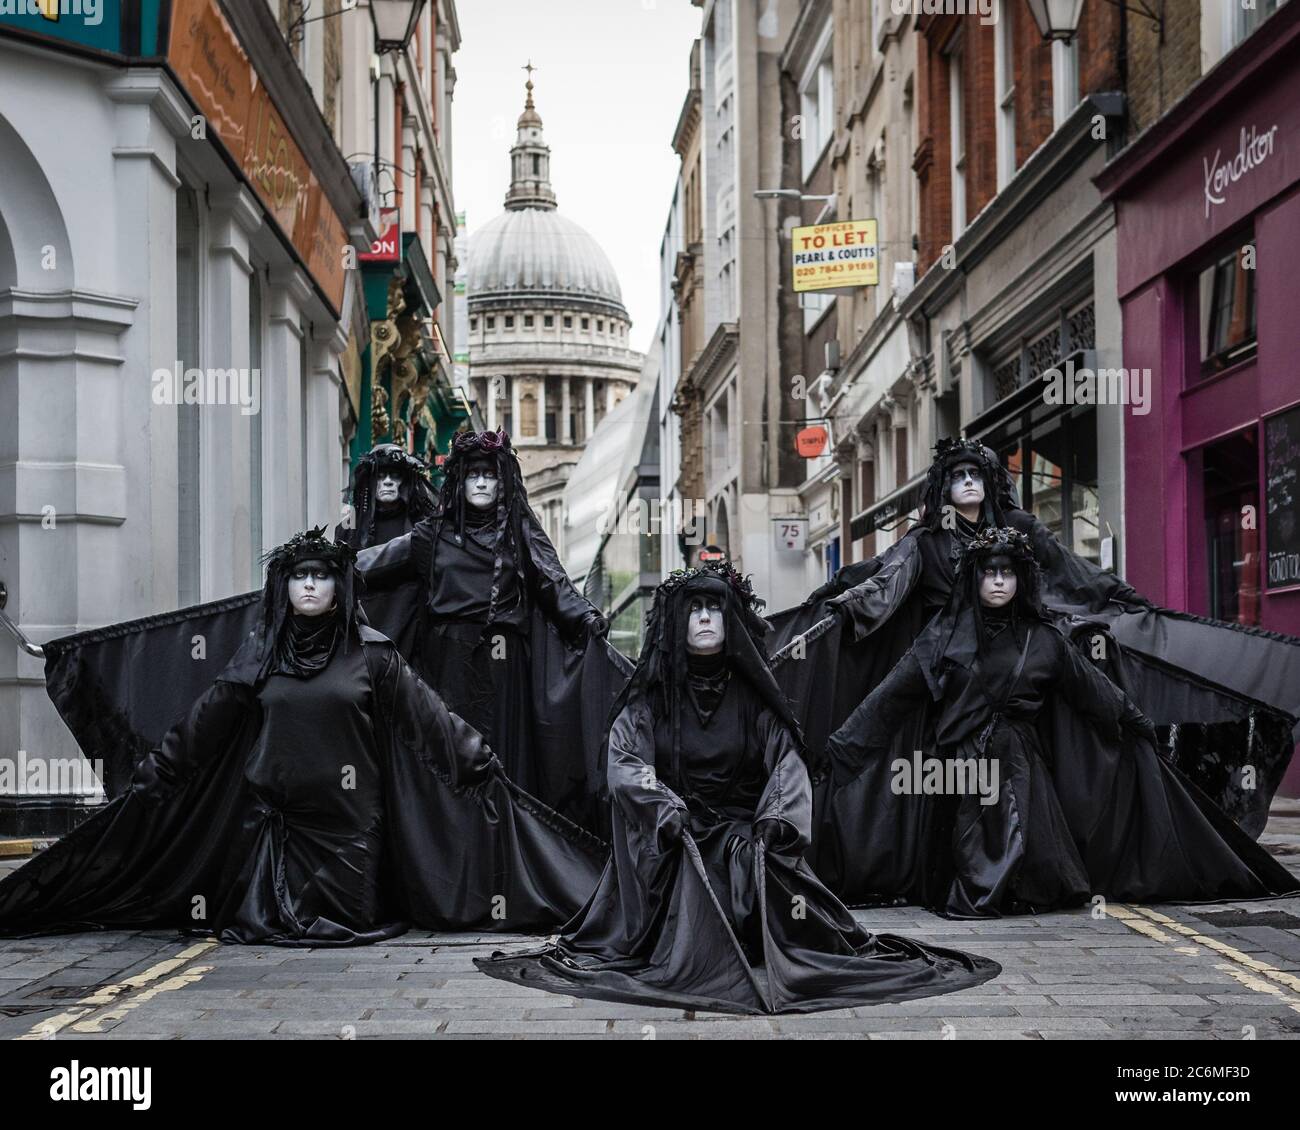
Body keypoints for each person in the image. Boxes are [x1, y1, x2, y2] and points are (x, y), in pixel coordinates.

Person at [0, 528, 604, 945]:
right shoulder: (259, 655)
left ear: (340, 587)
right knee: (262, 922)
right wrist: (158, 772)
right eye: (299, 577)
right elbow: (206, 723)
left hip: (350, 834)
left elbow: (430, 719)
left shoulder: (372, 655)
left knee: (344, 922)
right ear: (283, 587)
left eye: (322, 577)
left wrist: (476, 759)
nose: (310, 587)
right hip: (272, 833)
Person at [475, 563, 1000, 1014]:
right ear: (677, 623)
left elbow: (788, 764)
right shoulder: (650, 701)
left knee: (764, 877)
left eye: (715, 608)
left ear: (733, 620)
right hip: (672, 839)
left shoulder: (754, 703)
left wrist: (777, 817)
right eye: (695, 609)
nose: (705, 618)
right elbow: (624, 763)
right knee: (693, 880)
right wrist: (663, 808)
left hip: (745, 834)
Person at [769, 437, 1300, 839]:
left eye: (977, 474)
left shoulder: (1021, 528)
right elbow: (885, 578)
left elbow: (1071, 571)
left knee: (1075, 699)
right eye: (958, 476)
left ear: (991, 479)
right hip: (951, 658)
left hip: (1019, 653)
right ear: (944, 487)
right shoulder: (926, 541)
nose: (969, 483)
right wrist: (839, 597)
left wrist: (1119, 596)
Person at [823, 527, 1300, 916]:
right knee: (975, 848)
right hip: (955, 772)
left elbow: (1093, 691)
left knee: (1019, 845)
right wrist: (843, 749)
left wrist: (1137, 725)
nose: (997, 582)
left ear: (1021, 580)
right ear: (974, 578)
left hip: (1019, 767)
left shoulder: (1045, 639)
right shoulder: (942, 634)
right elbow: (893, 696)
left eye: (1007, 573)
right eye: (988, 572)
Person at [357, 429, 630, 830]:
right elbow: (374, 564)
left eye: (490, 474)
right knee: (449, 758)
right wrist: (322, 566)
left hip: (504, 668)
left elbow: (553, 583)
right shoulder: (431, 534)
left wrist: (586, 619)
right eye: (473, 475)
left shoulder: (519, 532)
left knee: (504, 761)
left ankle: (507, 847)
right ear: (459, 481)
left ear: (503, 481)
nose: (482, 482)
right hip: (445, 664)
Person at [335, 442, 438, 551]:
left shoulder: (425, 524)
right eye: (380, 476)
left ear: (406, 481)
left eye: (395, 475)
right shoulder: (349, 530)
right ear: (369, 482)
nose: (387, 482)